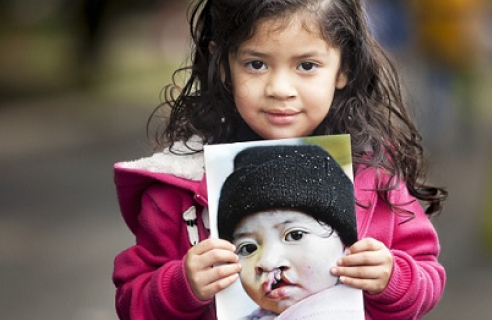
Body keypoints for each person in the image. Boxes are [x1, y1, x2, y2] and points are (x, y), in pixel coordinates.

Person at [112, 0, 448, 319]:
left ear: (344, 67)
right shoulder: (179, 188)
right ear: (224, 65)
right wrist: (180, 286)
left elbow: (428, 279)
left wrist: (393, 279)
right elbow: (132, 301)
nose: (280, 88)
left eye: (306, 66)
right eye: (256, 64)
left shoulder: (375, 175)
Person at [217, 145, 364, 320]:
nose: (267, 262)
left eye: (295, 235)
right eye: (248, 248)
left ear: (346, 245)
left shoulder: (360, 307)